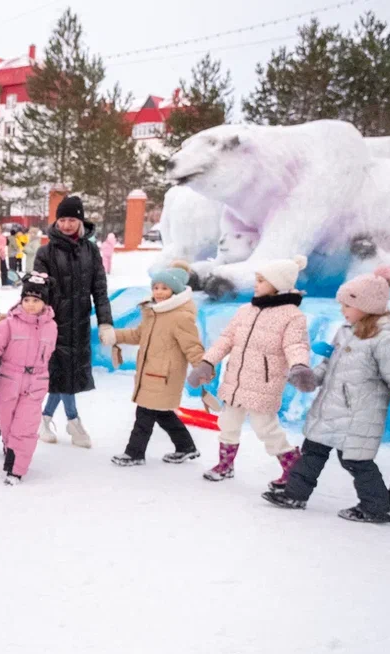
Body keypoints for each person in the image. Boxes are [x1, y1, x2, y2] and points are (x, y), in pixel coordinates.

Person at [263, 266, 390, 523]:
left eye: (347, 305)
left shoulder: (385, 339)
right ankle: (295, 494)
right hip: (330, 409)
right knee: (312, 451)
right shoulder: (346, 331)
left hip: (360, 414)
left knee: (356, 462)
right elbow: (329, 365)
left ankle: (377, 508)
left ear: (367, 306)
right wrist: (311, 378)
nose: (342, 310)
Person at [187, 256, 309, 485]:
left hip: (264, 384)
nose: (256, 284)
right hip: (235, 381)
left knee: (266, 429)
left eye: (262, 280)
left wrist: (299, 365)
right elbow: (226, 339)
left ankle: (293, 467)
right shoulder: (246, 310)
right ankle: (225, 465)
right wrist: (207, 362)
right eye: (257, 279)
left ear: (279, 284)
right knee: (228, 424)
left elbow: (296, 345)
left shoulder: (292, 316)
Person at [103, 265, 205, 467]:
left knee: (145, 414)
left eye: (164, 288)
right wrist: (116, 335)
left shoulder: (179, 317)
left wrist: (202, 367)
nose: (158, 292)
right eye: (156, 287)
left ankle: (134, 453)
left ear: (174, 292)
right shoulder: (153, 313)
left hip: (164, 375)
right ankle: (186, 447)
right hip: (150, 373)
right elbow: (138, 335)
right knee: (162, 413)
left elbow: (192, 345)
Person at [34, 196, 114, 448]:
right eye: (63, 219)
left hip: (79, 324)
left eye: (72, 219)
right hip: (53, 326)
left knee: (67, 375)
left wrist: (105, 322)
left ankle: (47, 418)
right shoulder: (45, 252)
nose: (67, 224)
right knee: (60, 375)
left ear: (80, 221)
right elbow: (36, 292)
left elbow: (99, 290)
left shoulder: (91, 251)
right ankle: (72, 420)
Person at [0, 273, 58, 484]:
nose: (30, 305)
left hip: (36, 384)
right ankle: (10, 455)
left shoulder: (51, 327)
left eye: (36, 300)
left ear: (44, 302)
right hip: (8, 382)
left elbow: (51, 355)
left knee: (26, 427)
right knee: (7, 424)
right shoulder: (8, 325)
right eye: (26, 299)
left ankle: (17, 470)